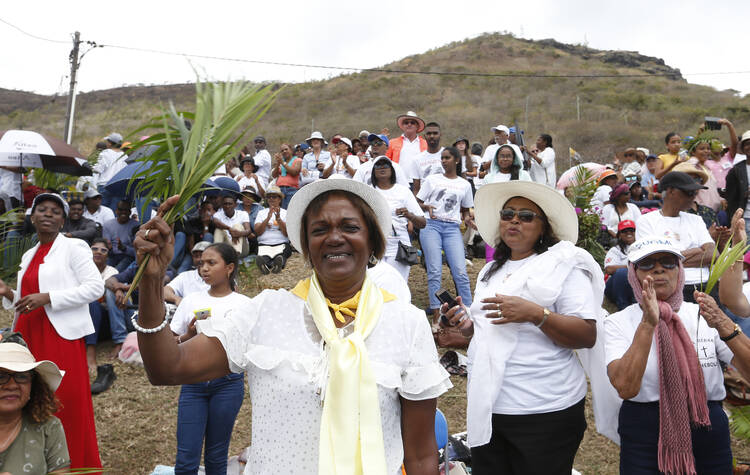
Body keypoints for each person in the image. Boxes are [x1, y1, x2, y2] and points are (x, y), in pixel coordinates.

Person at [132, 178, 451, 474]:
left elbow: (420, 454)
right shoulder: (265, 312)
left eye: (350, 227)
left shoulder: (406, 323)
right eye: (319, 229)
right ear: (306, 244)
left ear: (373, 240)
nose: (335, 237)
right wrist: (152, 280)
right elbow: (167, 368)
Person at [441, 181, 600, 474]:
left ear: (543, 228)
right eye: (508, 214)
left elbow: (586, 334)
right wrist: (465, 325)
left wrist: (536, 315)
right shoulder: (491, 270)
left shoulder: (563, 265)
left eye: (526, 216)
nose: (514, 220)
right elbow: (488, 331)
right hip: (489, 406)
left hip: (543, 410)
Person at [605, 236, 750, 474]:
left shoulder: (704, 314)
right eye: (647, 263)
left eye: (668, 262)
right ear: (634, 273)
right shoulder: (618, 322)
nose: (659, 268)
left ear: (680, 270)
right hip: (645, 430)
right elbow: (626, 387)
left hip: (706, 425)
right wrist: (647, 324)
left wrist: (725, 325)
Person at [0, 193, 102, 470]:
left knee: (63, 400)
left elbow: (95, 288)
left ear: (63, 220)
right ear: (32, 218)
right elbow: (25, 297)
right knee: (28, 400)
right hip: (28, 333)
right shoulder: (29, 253)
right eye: (41, 209)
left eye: (56, 212)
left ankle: (74, 465)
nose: (48, 214)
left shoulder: (74, 247)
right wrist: (8, 292)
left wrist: (49, 298)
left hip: (59, 335)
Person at [170, 243, 249, 475]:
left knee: (216, 457)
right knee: (186, 460)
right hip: (193, 385)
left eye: (211, 263)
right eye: (201, 263)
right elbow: (172, 344)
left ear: (229, 268)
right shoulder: (192, 301)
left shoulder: (244, 305)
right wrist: (188, 336)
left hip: (228, 385)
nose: (204, 268)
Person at [636, 171, 713, 303]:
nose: (693, 197)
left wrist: (671, 260)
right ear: (671, 191)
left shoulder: (696, 219)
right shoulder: (646, 221)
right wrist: (698, 250)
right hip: (671, 289)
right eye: (689, 193)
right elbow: (653, 261)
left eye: (695, 193)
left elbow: (712, 254)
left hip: (704, 286)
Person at [417, 147, 475, 317]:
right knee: (435, 271)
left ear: (456, 160)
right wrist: (425, 206)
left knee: (460, 271)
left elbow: (465, 209)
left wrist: (468, 219)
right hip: (431, 225)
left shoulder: (464, 184)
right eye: (442, 158)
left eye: (447, 158)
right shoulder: (432, 180)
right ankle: (437, 316)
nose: (443, 161)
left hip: (452, 228)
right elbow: (417, 202)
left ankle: (469, 314)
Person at [0, 331, 70, 473]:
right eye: (1, 376)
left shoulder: (48, 428)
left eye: (21, 376)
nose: (12, 385)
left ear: (33, 385)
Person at [370, 156, 426, 281]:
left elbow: (422, 223)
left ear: (392, 170)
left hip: (398, 248)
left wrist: (409, 215)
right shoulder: (368, 191)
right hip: (373, 247)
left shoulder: (403, 191)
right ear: (373, 171)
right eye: (378, 165)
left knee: (397, 286)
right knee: (375, 286)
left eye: (386, 164)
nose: (382, 167)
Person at [85, 237, 119, 373]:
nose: (98, 252)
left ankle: (91, 350)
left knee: (92, 302)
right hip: (81, 319)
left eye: (103, 250)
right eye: (94, 249)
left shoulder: (112, 272)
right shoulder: (81, 270)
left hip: (102, 321)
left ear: (107, 255)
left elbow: (97, 295)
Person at [253, 185, 291, 274]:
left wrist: (279, 219)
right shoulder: (261, 213)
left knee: (282, 254)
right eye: (269, 197)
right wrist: (267, 219)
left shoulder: (285, 213)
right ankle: (267, 265)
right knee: (264, 255)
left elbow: (286, 233)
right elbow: (257, 232)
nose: (271, 199)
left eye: (274, 197)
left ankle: (275, 264)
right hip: (264, 243)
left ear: (279, 199)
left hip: (281, 242)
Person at [164, 241, 211, 307]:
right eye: (196, 256)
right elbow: (165, 291)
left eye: (202, 255)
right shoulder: (185, 276)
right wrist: (177, 299)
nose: (199, 259)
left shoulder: (219, 277)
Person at [604, 220, 637, 310]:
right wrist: (631, 266)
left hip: (636, 286)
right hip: (615, 286)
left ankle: (637, 303)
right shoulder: (615, 250)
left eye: (631, 230)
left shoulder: (642, 248)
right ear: (619, 235)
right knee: (622, 272)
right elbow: (609, 269)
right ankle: (623, 306)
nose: (628, 233)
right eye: (624, 231)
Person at [93, 133, 128, 210]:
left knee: (103, 210)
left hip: (105, 185)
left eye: (108, 141)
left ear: (110, 143)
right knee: (115, 211)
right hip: (119, 185)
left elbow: (98, 169)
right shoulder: (125, 155)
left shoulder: (105, 153)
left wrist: (92, 167)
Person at [102, 200, 139, 271]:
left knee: (115, 272)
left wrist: (124, 248)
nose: (123, 212)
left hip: (128, 256)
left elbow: (137, 252)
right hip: (112, 255)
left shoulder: (136, 226)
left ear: (130, 212)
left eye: (126, 210)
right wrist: (109, 248)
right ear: (116, 211)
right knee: (104, 270)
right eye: (120, 209)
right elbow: (106, 246)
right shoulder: (108, 224)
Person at [410, 122, 445, 196]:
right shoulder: (417, 159)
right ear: (424, 136)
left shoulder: (450, 155)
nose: (432, 136)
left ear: (440, 135)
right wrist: (419, 206)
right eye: (429, 133)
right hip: (426, 204)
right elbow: (416, 189)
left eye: (435, 133)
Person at [272, 143, 303, 209]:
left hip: (291, 190)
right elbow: (274, 175)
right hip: (279, 190)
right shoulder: (281, 162)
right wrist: (278, 163)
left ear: (291, 150)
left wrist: (283, 163)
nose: (284, 151)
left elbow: (294, 172)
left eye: (286, 149)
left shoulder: (298, 160)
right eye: (282, 151)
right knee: (280, 211)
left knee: (290, 210)